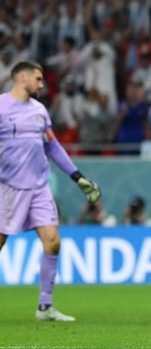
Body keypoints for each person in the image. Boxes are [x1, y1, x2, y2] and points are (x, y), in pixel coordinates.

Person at [0, 61, 101, 321]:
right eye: (38, 79)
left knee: (53, 242)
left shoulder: (39, 110)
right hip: (8, 188)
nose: (42, 84)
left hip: (39, 187)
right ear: (22, 78)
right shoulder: (1, 107)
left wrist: (78, 177)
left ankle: (45, 306)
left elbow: (53, 147)